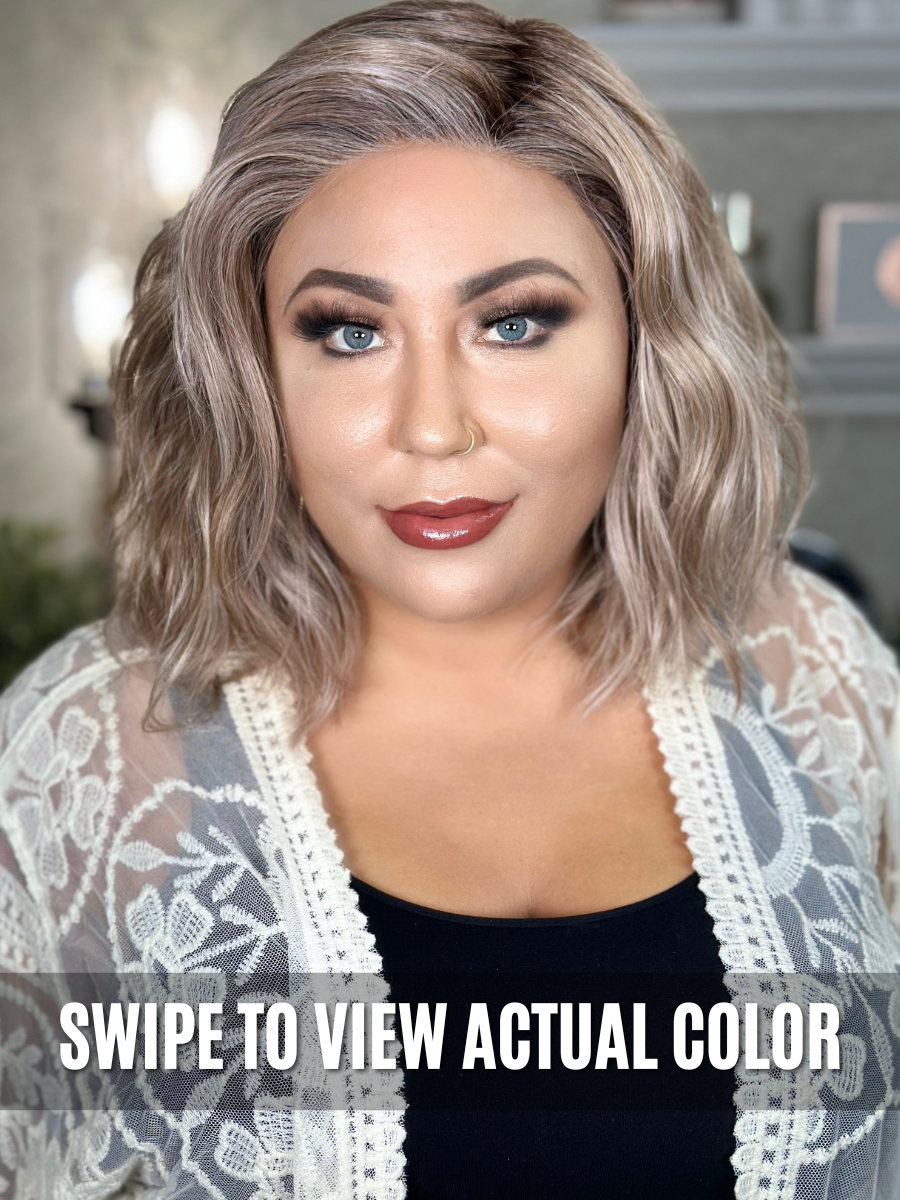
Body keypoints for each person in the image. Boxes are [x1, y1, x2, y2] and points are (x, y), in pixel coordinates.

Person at [0, 2, 898, 1197]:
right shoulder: (92, 750)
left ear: (645, 345)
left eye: (514, 323)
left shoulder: (811, 668)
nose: (433, 429)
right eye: (348, 333)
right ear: (253, 376)